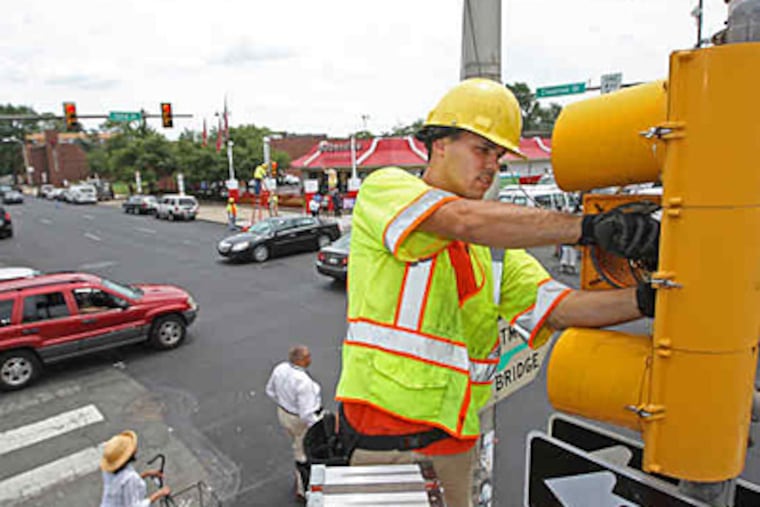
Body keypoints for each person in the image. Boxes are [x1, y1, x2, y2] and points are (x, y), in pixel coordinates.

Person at [333, 78, 659, 507]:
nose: (491, 166)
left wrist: (647, 300)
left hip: (456, 444)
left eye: (499, 156)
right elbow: (461, 220)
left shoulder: (494, 250)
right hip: (383, 443)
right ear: (439, 145)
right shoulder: (387, 189)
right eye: (481, 149)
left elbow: (559, 308)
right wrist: (588, 228)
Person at [266, 345, 324, 500]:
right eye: (308, 356)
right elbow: (306, 413)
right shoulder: (304, 383)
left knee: (296, 442)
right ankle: (303, 488)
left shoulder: (280, 369)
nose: (310, 358)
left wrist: (285, 404)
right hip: (300, 421)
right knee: (302, 452)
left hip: (284, 414)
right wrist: (319, 424)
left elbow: (270, 391)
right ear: (302, 360)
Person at [99, 430, 171, 507]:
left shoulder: (109, 470)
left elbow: (123, 486)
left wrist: (146, 474)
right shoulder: (129, 478)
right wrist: (160, 493)